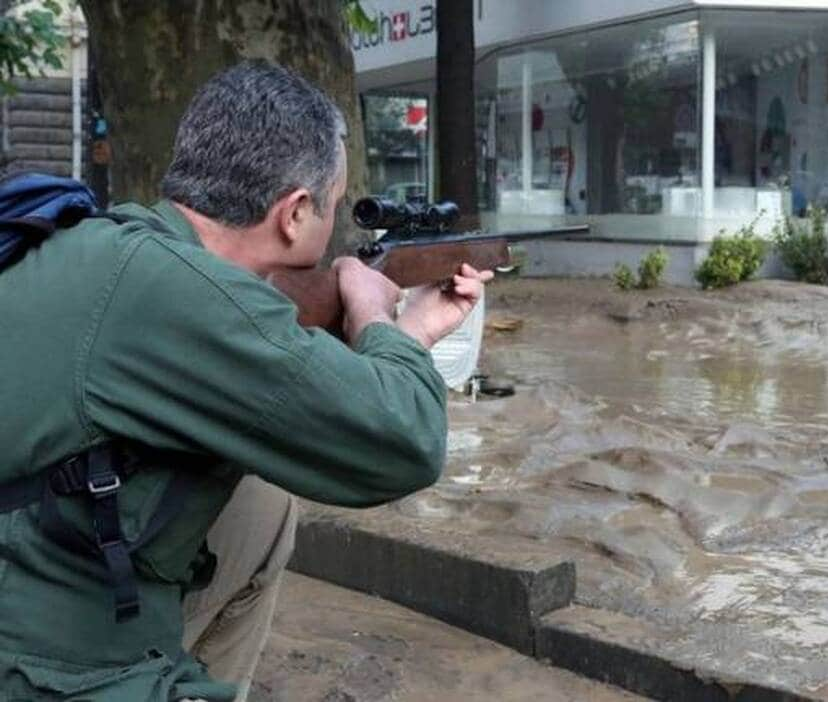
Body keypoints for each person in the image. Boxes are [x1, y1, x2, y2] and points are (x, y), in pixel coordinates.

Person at [0, 60, 490, 701]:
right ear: (294, 213)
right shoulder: (184, 299)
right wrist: (376, 314)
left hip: (39, 553)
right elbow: (404, 443)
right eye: (334, 206)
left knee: (260, 506)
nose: (337, 223)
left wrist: (410, 332)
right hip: (38, 647)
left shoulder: (114, 244)